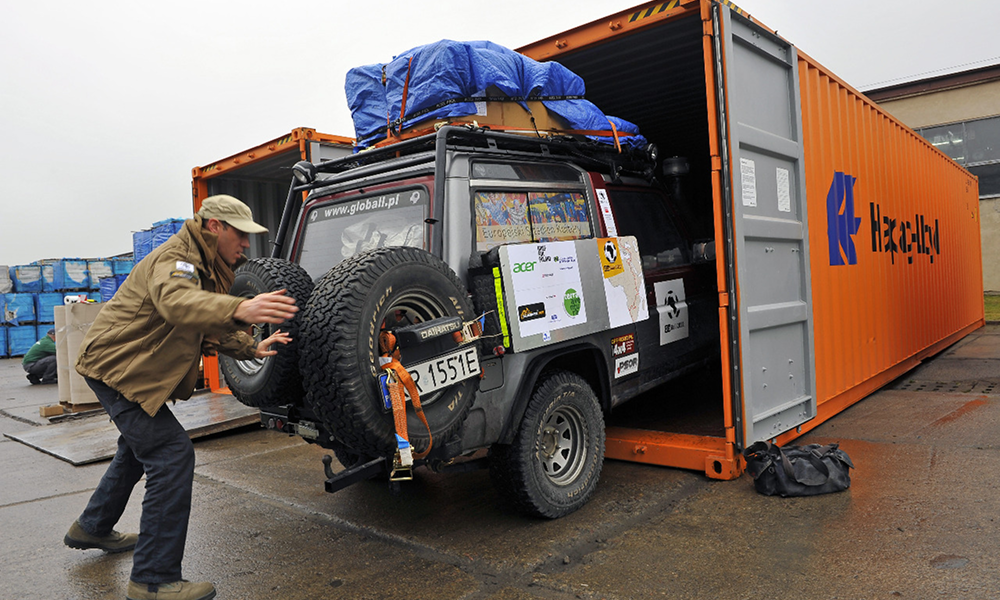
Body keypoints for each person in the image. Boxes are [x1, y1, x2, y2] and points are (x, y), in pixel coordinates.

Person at [64, 195, 298, 600]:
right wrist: (243, 306)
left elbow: (205, 324)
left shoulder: (208, 268)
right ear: (214, 227)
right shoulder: (178, 260)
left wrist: (249, 347)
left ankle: (93, 527)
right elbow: (177, 304)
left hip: (128, 368)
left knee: (137, 450)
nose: (246, 243)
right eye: (240, 234)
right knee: (171, 454)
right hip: (117, 369)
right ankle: (153, 580)